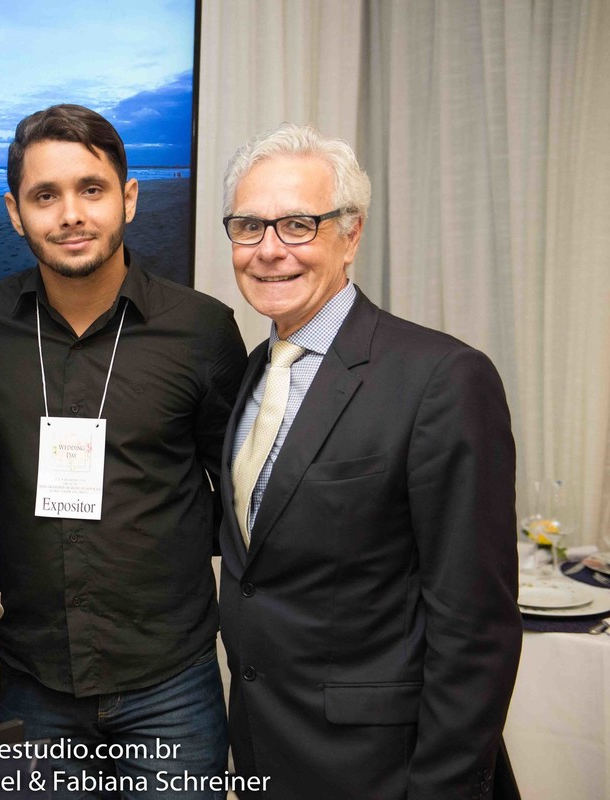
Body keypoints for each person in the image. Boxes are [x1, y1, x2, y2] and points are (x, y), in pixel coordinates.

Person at [0, 105, 247, 799]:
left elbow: (241, 495)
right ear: (15, 212)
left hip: (173, 687)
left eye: (91, 189)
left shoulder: (202, 332)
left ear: (128, 197)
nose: (70, 213)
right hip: (34, 685)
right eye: (46, 195)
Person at [217, 123, 521, 799]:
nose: (268, 251)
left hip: (384, 771)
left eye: (298, 225)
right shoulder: (252, 374)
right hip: (269, 752)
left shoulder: (441, 378)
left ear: (349, 236)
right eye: (248, 226)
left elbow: (474, 628)